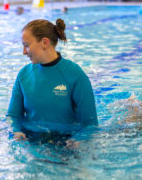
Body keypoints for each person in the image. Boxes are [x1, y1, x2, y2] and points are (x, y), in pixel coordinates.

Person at [7, 19, 98, 147]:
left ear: (44, 42)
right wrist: (16, 131)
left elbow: (90, 125)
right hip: (32, 139)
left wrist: (78, 139)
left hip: (67, 141)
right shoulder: (24, 75)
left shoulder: (75, 74)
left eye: (26, 45)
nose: (24, 52)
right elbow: (13, 116)